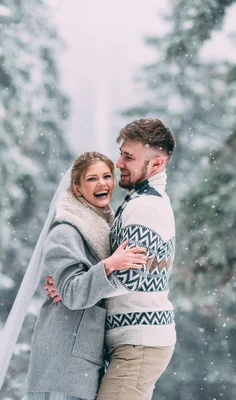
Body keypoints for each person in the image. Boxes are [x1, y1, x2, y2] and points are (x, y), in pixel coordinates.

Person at [46, 119, 177, 400]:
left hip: (139, 342)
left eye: (128, 157)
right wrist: (73, 282)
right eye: (121, 153)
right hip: (134, 341)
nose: (119, 163)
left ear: (156, 165)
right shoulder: (136, 201)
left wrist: (76, 288)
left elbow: (130, 278)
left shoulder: (145, 208)